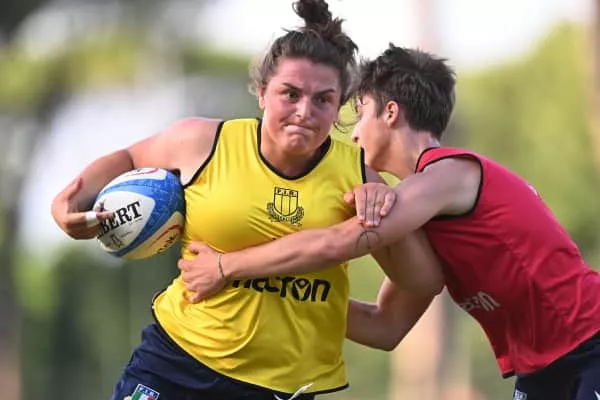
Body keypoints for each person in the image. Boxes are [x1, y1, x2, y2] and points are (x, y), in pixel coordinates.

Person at [50, 3, 443, 398]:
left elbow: (423, 282)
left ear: (339, 105)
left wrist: (385, 212)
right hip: (174, 363)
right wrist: (69, 199)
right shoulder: (204, 143)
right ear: (262, 93)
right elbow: (129, 158)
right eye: (290, 94)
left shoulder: (357, 176)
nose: (304, 112)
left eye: (323, 100)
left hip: (282, 386)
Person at [181, 44, 600, 400]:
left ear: (391, 113)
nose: (354, 135)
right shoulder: (424, 214)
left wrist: (226, 266)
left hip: (590, 342)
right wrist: (270, 294)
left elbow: (336, 242)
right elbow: (384, 327)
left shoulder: (449, 175)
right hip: (546, 368)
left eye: (360, 113)